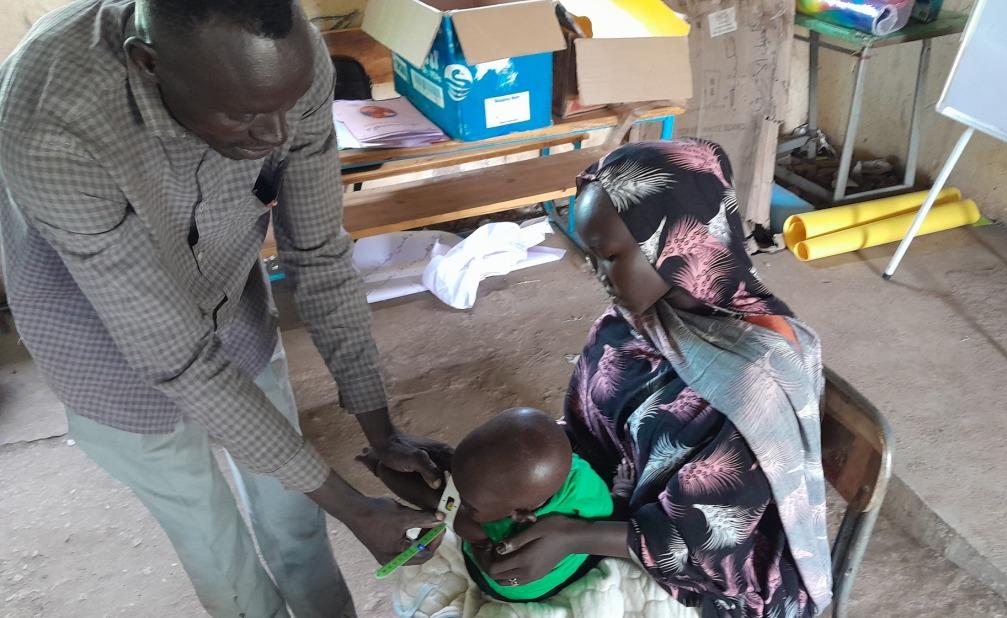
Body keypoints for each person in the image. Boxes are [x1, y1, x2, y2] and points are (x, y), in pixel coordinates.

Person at [0, 1, 448, 616]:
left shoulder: (288, 67)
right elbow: (177, 357)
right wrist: (355, 510)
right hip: (97, 337)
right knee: (211, 538)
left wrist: (383, 432)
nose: (278, 137)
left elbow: (317, 252)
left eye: (288, 108)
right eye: (244, 116)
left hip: (227, 294)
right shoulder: (53, 126)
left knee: (295, 512)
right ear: (149, 63)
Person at [479, 140, 833, 617]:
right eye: (590, 256)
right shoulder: (630, 323)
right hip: (619, 514)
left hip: (718, 582)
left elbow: (710, 543)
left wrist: (576, 536)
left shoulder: (754, 385)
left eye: (610, 256)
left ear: (672, 245)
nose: (597, 273)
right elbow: (586, 433)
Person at [369, 407, 622, 603]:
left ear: (518, 514)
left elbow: (459, 510)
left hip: (518, 584)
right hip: (579, 550)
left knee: (451, 512)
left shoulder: (498, 526)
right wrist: (623, 489)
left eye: (469, 502)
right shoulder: (579, 474)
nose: (459, 492)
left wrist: (385, 470)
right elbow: (608, 511)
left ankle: (381, 467)